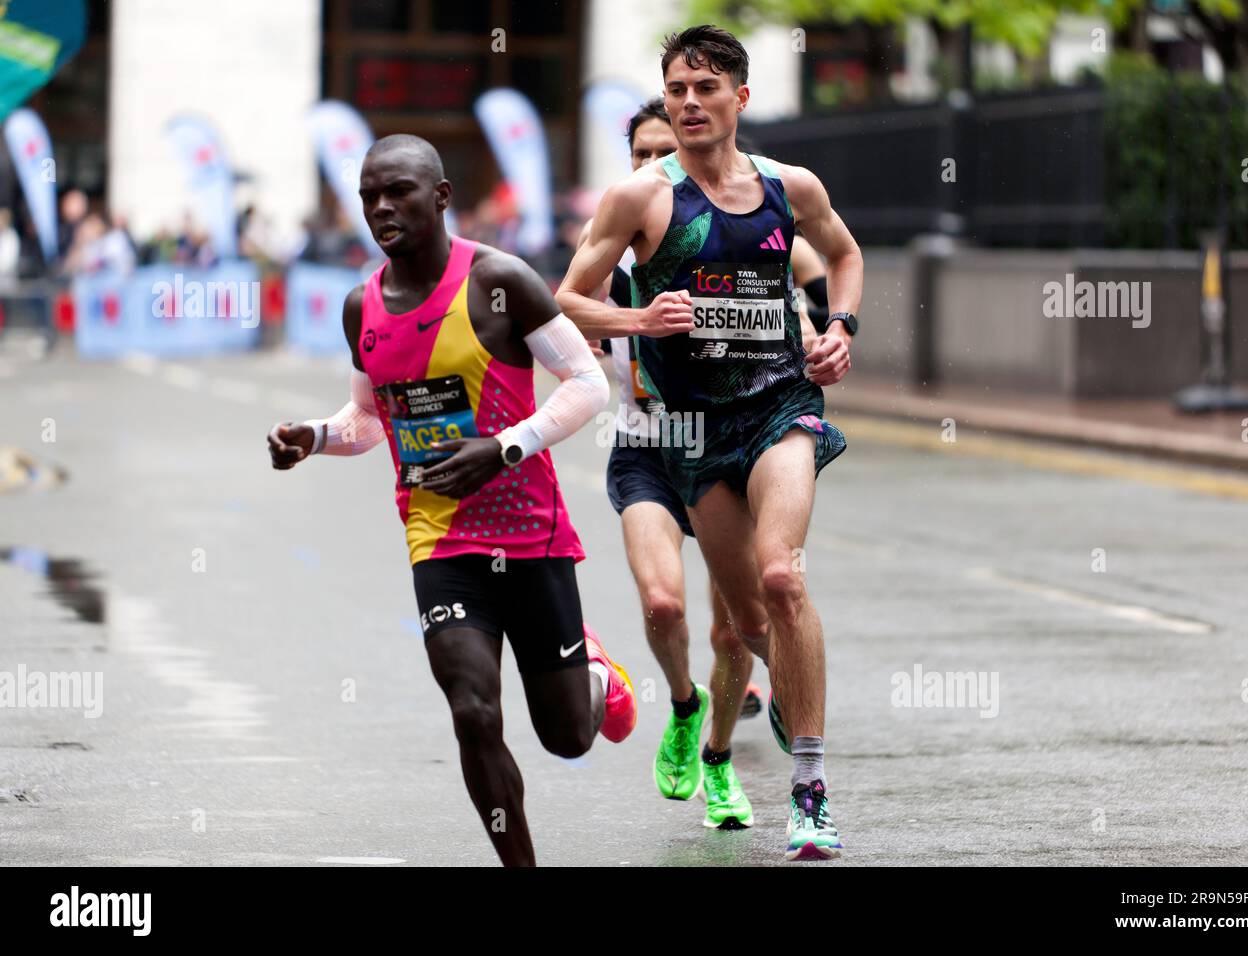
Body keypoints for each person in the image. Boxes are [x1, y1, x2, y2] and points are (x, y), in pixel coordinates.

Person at [267, 134, 636, 867]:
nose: (380, 206)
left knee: (567, 736)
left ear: (440, 196)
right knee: (472, 710)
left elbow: (590, 386)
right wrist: (312, 435)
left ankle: (595, 673)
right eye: (370, 193)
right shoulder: (359, 308)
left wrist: (502, 448)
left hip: (532, 537)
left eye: (398, 190)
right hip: (439, 540)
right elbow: (371, 420)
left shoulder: (500, 281)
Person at [557, 25, 863, 861]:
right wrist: (637, 319)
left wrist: (840, 328)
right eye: (678, 88)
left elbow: (843, 253)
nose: (691, 102)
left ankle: (808, 784)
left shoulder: (786, 187)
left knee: (780, 577)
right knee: (749, 624)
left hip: (778, 407)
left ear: (740, 98)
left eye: (706, 88)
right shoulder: (639, 201)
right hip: (684, 435)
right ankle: (713, 715)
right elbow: (565, 299)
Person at [575, 97, 757, 830]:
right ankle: (683, 703)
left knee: (732, 627)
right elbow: (560, 309)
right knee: (663, 605)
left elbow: (794, 282)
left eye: (665, 154)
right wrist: (609, 334)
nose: (654, 168)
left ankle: (717, 757)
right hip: (648, 441)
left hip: (725, 446)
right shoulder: (613, 239)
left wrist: (822, 326)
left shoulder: (731, 229)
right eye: (640, 156)